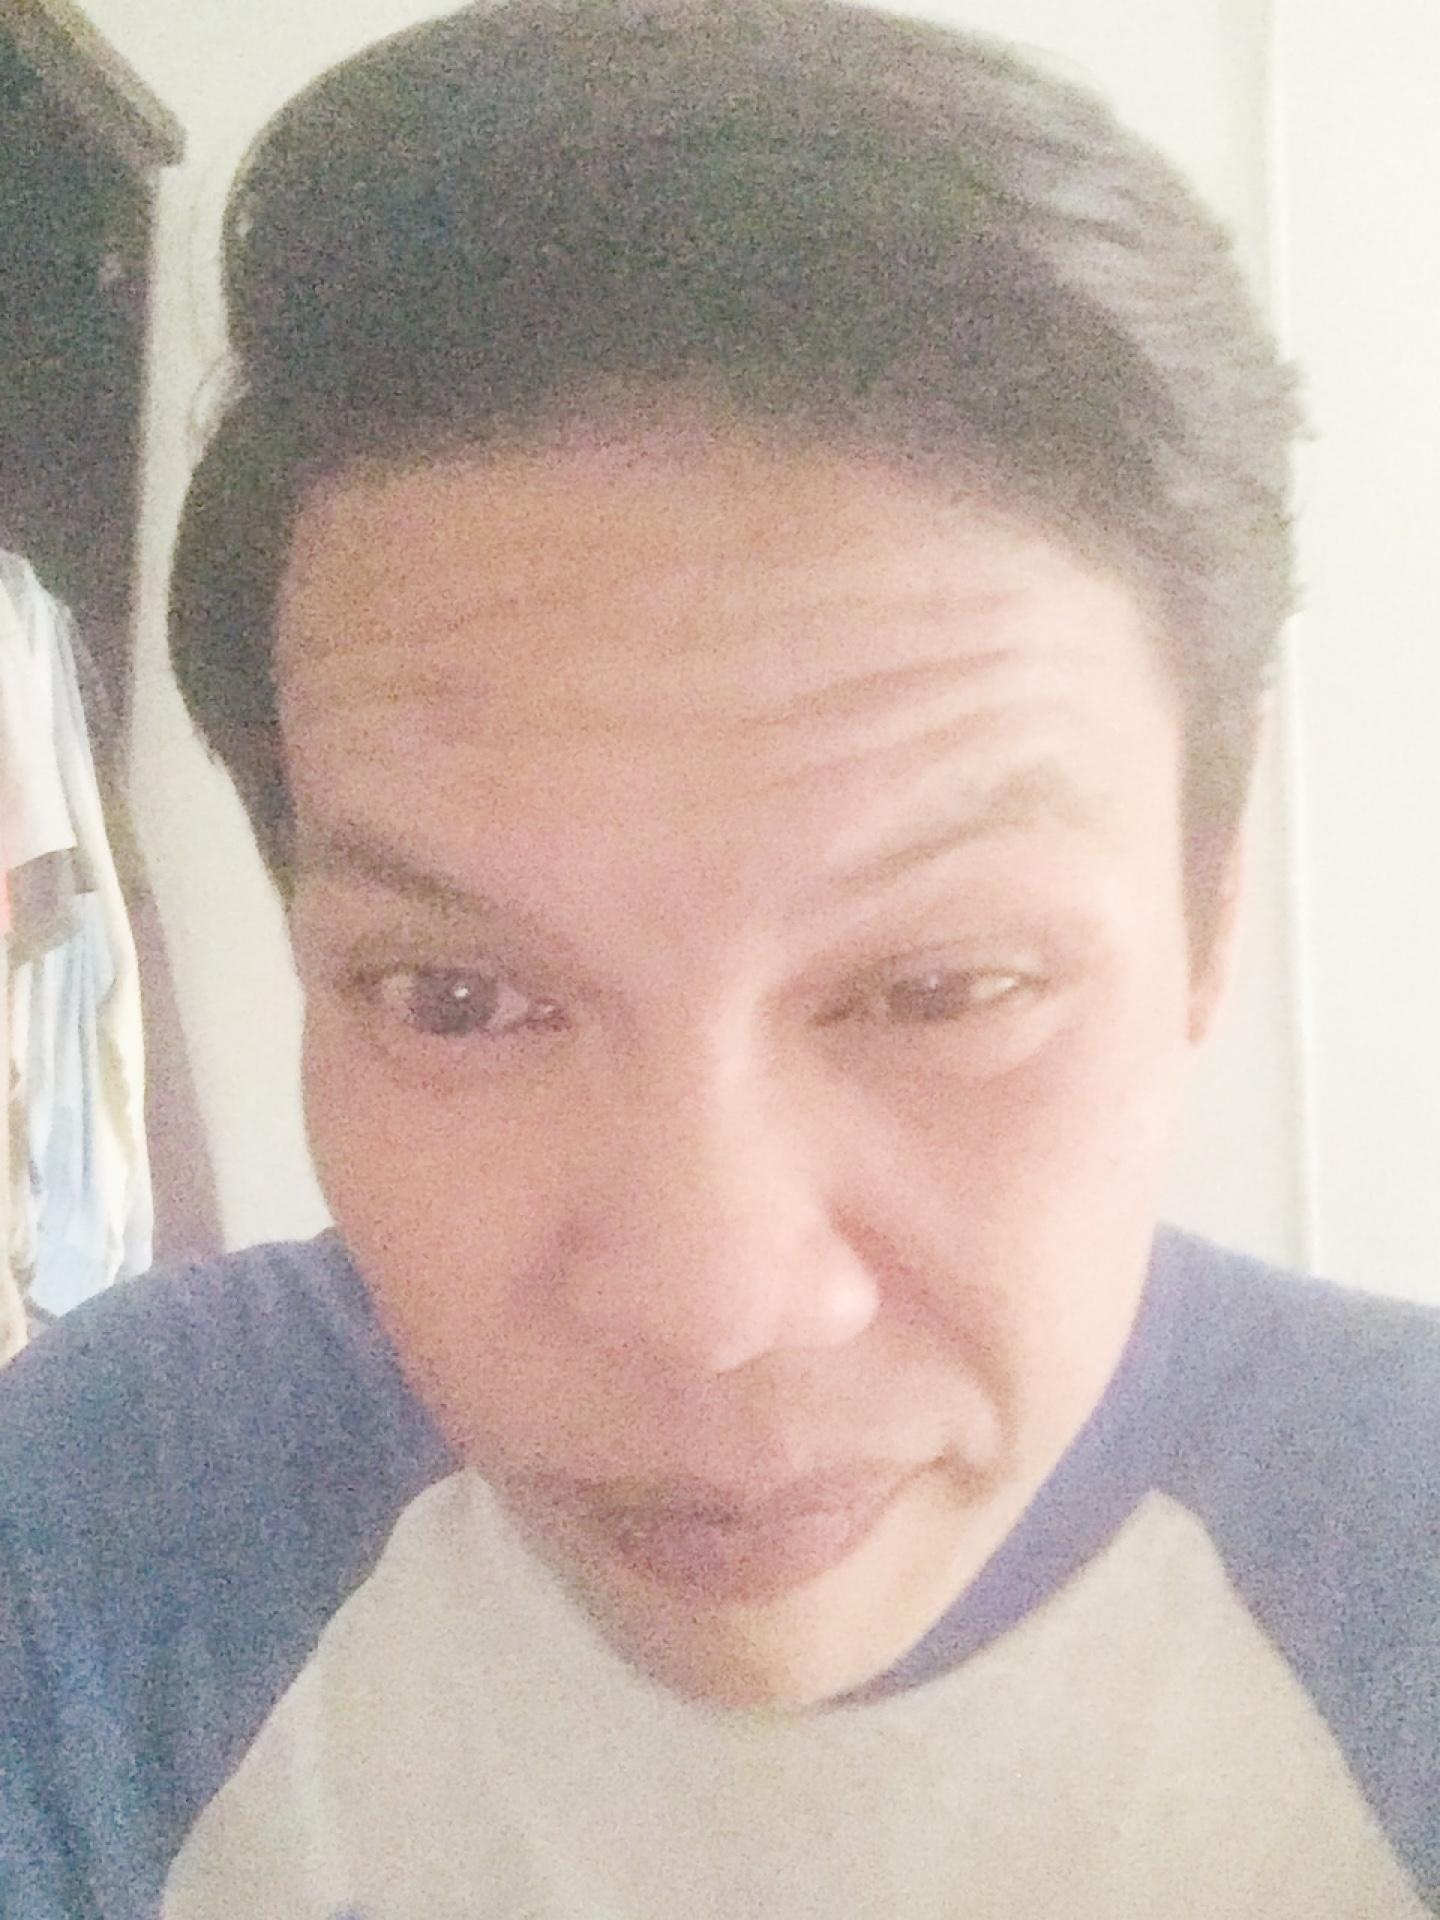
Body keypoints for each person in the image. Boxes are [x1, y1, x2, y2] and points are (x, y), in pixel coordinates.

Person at [2, 1, 1436, 1913]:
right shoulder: (116, 1520)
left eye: (939, 987)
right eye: (459, 999)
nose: (710, 1310)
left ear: (1209, 914)